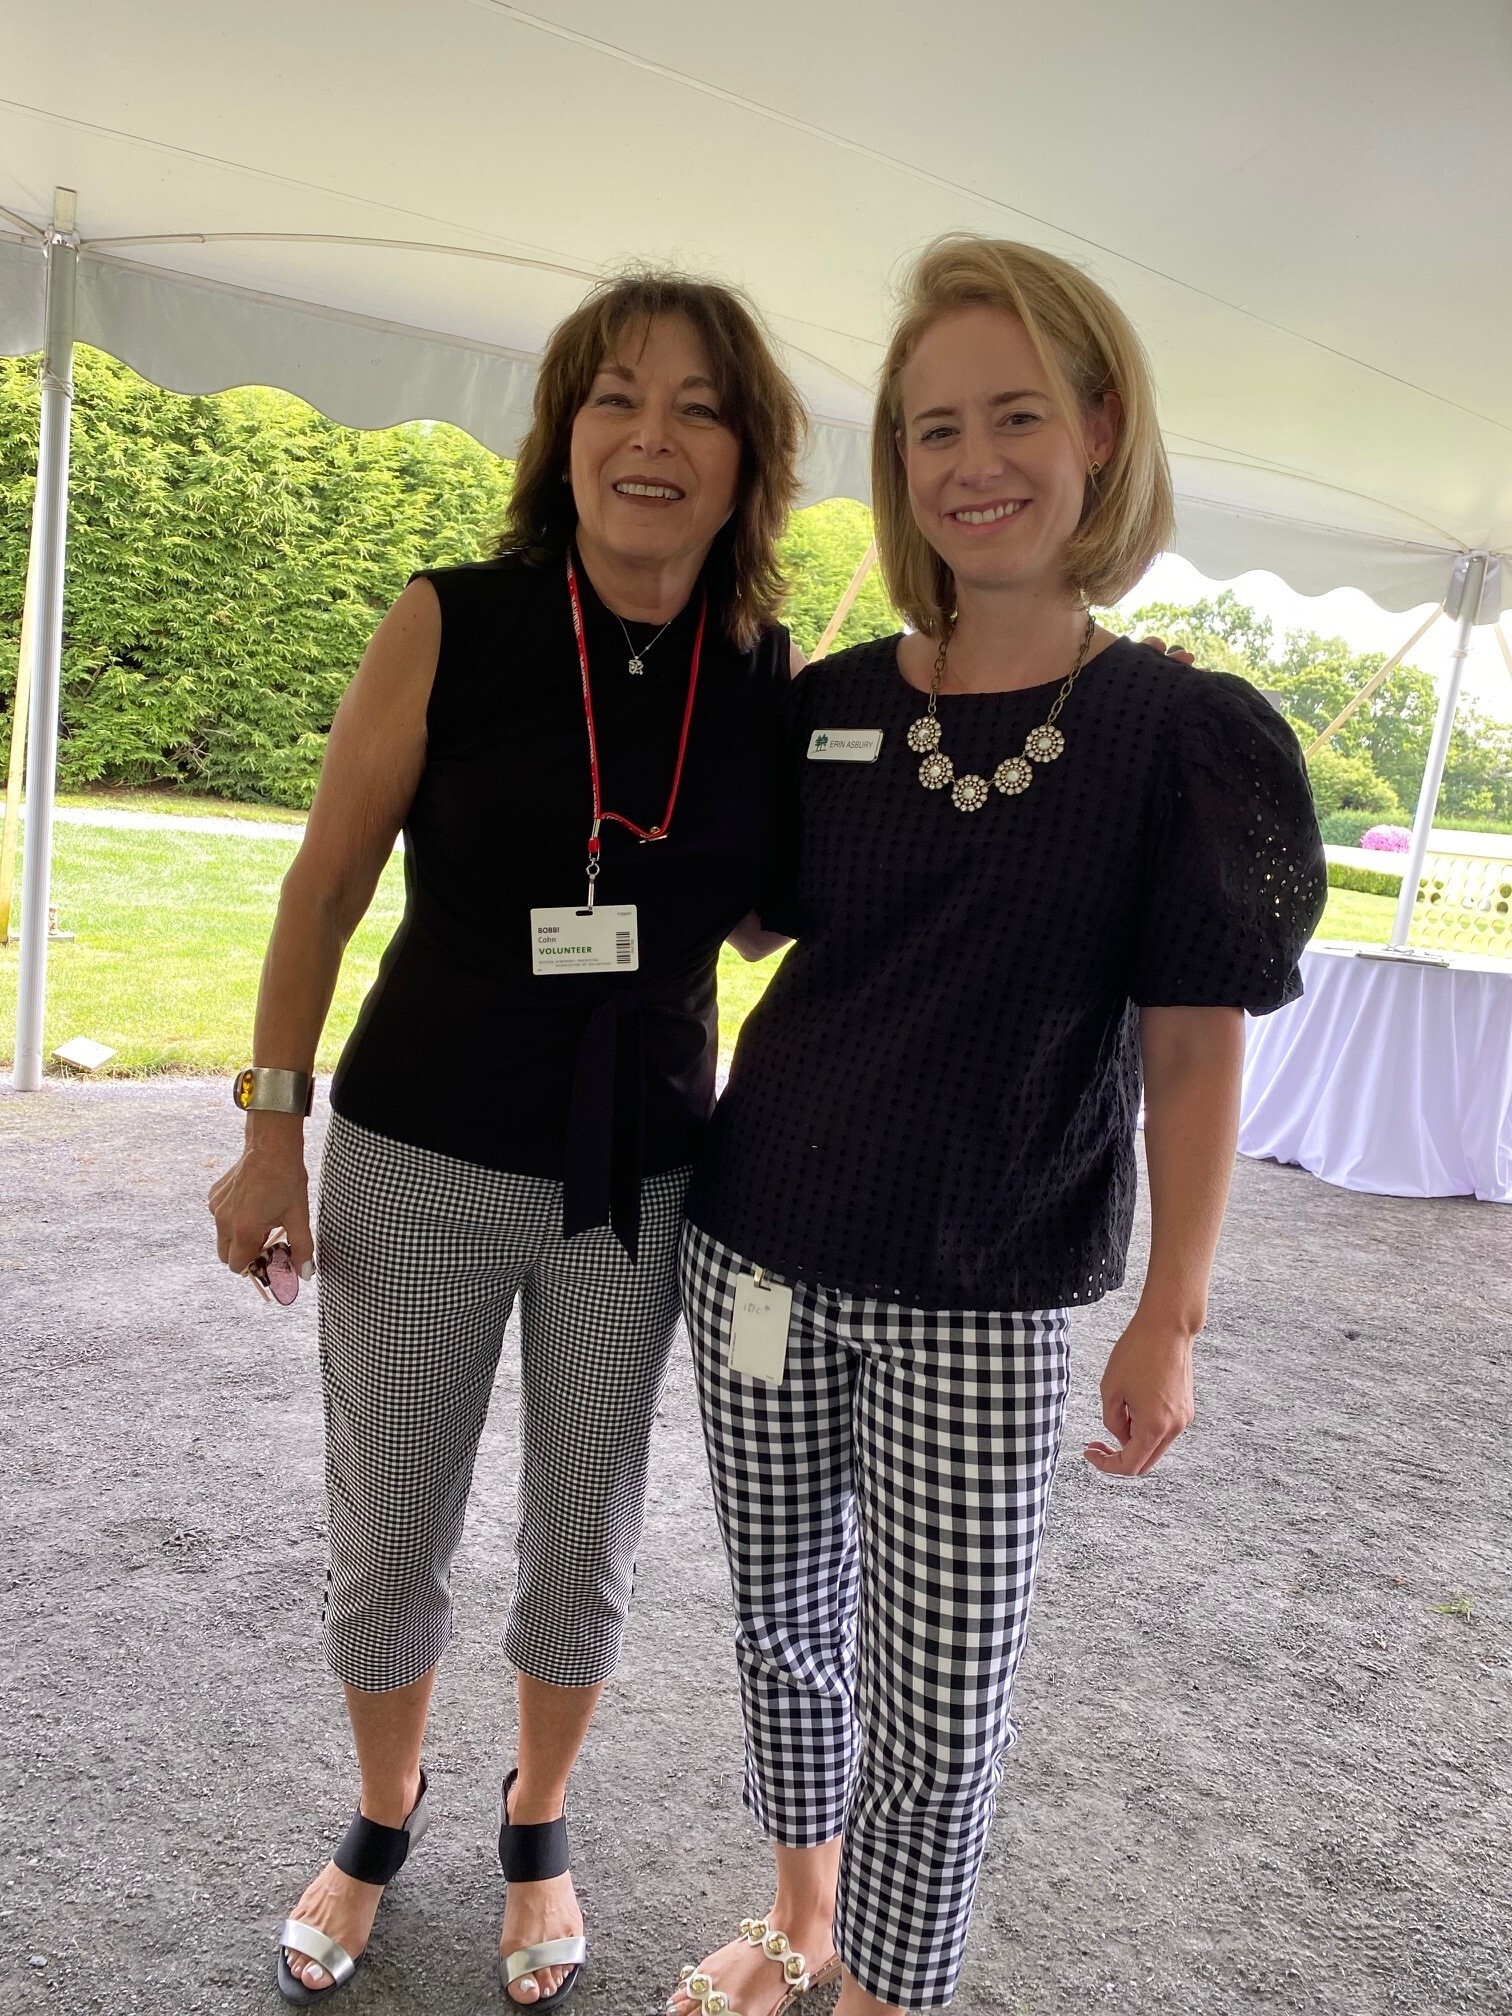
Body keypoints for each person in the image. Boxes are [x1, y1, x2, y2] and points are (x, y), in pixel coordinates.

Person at [668, 235, 1327, 2016]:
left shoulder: (1185, 733)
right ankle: (799, 1925)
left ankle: (890, 1987)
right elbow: (721, 922)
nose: (974, 463)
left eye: (1017, 415)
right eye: (934, 427)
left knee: (943, 1696)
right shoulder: (828, 706)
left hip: (993, 1286)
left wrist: (1170, 1316)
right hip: (759, 1255)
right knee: (787, 1634)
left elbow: (1196, 1055)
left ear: (1101, 430)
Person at [208, 271, 805, 2007]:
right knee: (391, 1524)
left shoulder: (766, 675)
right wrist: (268, 1133)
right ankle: (384, 1816)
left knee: (584, 1537)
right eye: (617, 396)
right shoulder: (450, 618)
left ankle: (537, 1821)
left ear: (746, 455)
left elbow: (786, 913)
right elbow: (322, 885)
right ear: (565, 432)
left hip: (642, 1172)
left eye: (699, 406)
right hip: (420, 1152)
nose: (653, 435)